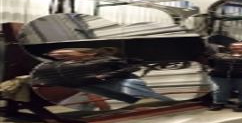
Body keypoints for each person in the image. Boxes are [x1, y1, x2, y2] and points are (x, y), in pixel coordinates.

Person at [30, 47, 173, 104]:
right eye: (55, 55)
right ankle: (133, 102)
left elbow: (132, 67)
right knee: (124, 97)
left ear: (78, 51)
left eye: (62, 53)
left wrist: (106, 75)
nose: (58, 56)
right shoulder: (67, 64)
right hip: (88, 83)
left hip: (116, 79)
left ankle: (167, 101)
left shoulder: (105, 58)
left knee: (136, 89)